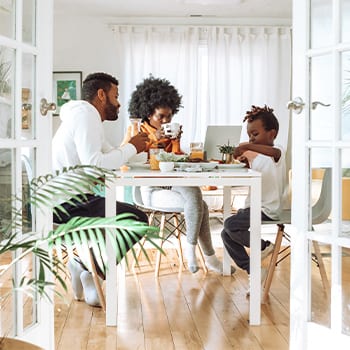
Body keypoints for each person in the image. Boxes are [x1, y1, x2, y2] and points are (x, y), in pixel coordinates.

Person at [52, 72, 150, 306]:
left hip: (68, 198)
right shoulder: (86, 116)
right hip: (64, 205)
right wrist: (131, 148)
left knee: (130, 215)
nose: (118, 103)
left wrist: (134, 149)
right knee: (137, 219)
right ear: (101, 95)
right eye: (115, 96)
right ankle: (88, 270)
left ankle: (85, 267)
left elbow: (107, 155)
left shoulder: (84, 116)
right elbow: (96, 163)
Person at [127, 76, 232, 275]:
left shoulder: (169, 133)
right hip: (152, 189)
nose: (166, 121)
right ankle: (203, 256)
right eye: (161, 117)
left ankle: (196, 253)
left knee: (195, 197)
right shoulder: (136, 131)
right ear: (148, 113)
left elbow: (175, 162)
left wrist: (176, 142)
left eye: (170, 117)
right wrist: (152, 139)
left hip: (173, 183)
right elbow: (131, 159)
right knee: (199, 204)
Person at [221, 105, 287, 293]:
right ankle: (254, 270)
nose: (251, 139)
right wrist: (245, 161)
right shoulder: (257, 158)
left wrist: (248, 146)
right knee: (226, 233)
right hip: (252, 207)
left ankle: (264, 246)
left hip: (268, 209)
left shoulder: (278, 152)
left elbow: (272, 154)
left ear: (272, 134)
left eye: (255, 134)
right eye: (249, 135)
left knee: (231, 225)